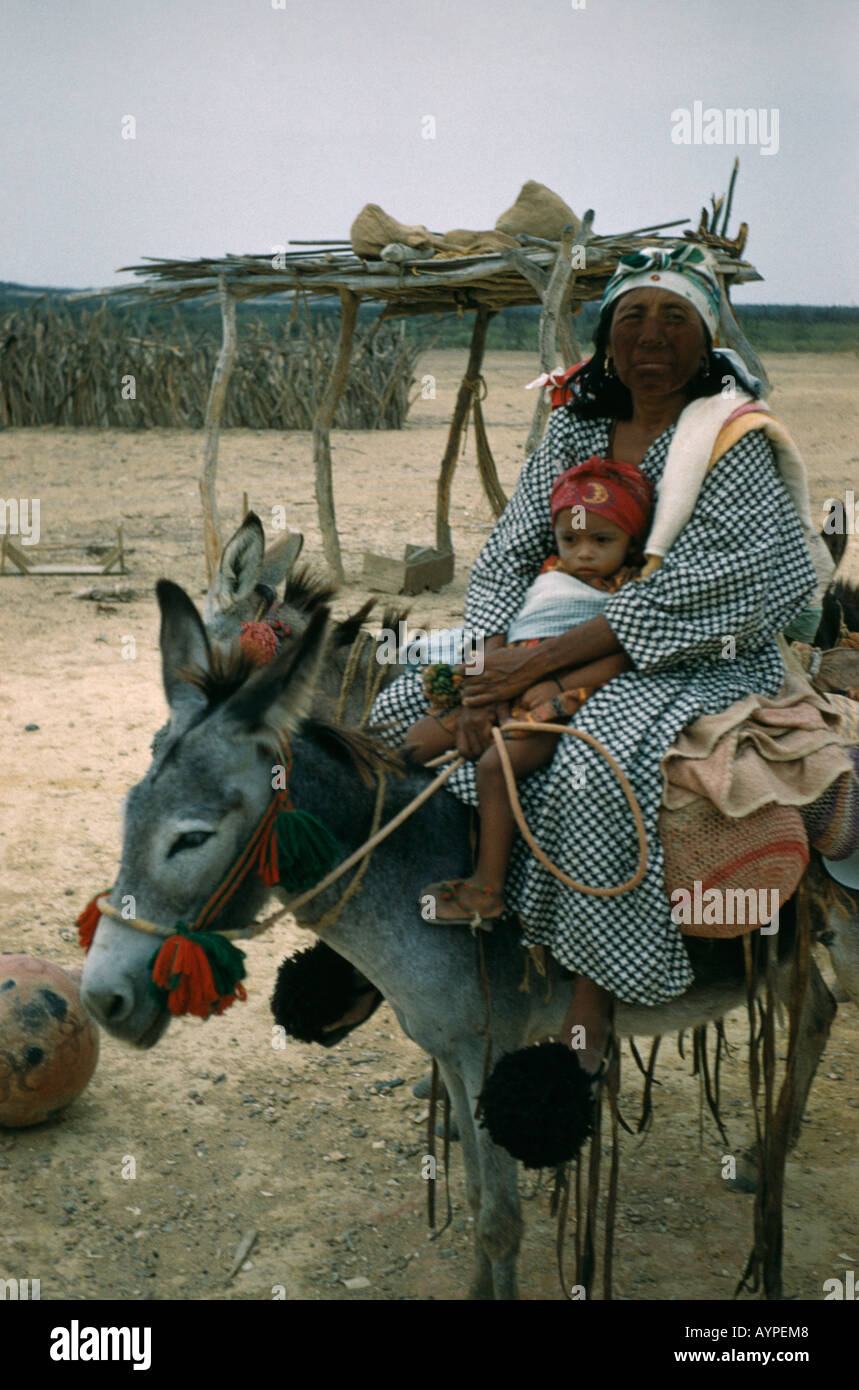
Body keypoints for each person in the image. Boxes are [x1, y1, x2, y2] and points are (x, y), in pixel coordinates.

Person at [370, 243, 826, 1081]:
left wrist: (525, 674)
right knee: (403, 706)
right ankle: (448, 918)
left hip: (693, 654)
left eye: (674, 318)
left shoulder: (734, 441)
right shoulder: (575, 426)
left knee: (596, 760)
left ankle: (591, 984)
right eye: (632, 318)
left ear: (709, 335)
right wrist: (488, 661)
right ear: (606, 338)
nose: (650, 336)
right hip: (551, 632)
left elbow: (701, 589)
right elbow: (511, 549)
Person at [403, 457, 654, 932]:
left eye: (603, 541)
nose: (583, 553)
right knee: (413, 740)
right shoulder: (548, 573)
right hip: (509, 680)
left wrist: (548, 685)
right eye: (571, 539)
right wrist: (489, 689)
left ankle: (487, 889)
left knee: (498, 768)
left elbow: (622, 655)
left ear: (631, 542)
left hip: (563, 699)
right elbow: (520, 630)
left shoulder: (630, 593)